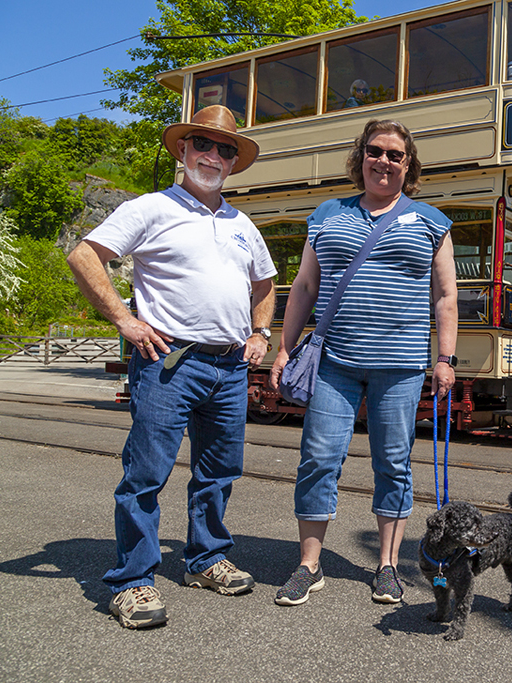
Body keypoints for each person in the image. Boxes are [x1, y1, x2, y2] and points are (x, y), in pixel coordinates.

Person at [66, 104, 277, 629]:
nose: (214, 155)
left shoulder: (240, 221)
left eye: (225, 149)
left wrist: (261, 331)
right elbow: (84, 256)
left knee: (218, 473)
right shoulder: (151, 208)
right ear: (183, 151)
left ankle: (205, 560)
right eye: (203, 145)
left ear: (233, 162)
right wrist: (125, 319)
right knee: (146, 474)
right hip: (169, 362)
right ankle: (132, 582)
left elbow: (266, 284)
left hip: (228, 368)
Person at [268, 119, 458, 607]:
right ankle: (310, 566)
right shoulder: (328, 214)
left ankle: (388, 566)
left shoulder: (432, 222)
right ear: (361, 157)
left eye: (396, 155)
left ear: (408, 165)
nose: (384, 162)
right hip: (335, 362)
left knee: (393, 464)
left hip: (401, 366)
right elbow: (305, 287)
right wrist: (285, 348)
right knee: (318, 460)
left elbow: (445, 297)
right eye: (376, 151)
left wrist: (445, 358)